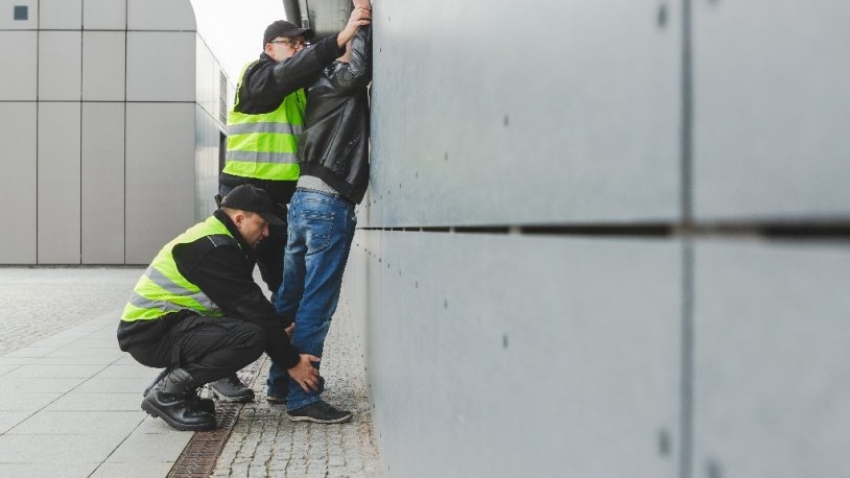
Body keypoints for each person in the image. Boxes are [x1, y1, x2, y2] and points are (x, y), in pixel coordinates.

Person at [211, 4, 372, 402]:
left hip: (281, 207)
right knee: (230, 289)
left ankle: (284, 379)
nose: (300, 48)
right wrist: (341, 37)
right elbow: (286, 76)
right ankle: (217, 368)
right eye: (292, 43)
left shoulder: (297, 89)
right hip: (241, 204)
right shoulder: (258, 75)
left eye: (304, 42)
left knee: (286, 293)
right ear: (269, 48)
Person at [117, 184, 321, 431]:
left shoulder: (221, 240)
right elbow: (253, 309)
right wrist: (291, 362)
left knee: (252, 328)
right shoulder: (215, 248)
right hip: (150, 333)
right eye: (262, 224)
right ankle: (166, 395)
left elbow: (245, 305)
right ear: (239, 218)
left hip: (163, 327)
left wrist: (278, 331)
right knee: (250, 337)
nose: (266, 232)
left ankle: (174, 389)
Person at [264, 0, 373, 424]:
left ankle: (278, 382)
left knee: (290, 297)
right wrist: (359, 25)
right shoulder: (330, 82)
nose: (340, 52)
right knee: (316, 302)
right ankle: (303, 397)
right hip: (328, 202)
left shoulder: (310, 88)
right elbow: (357, 69)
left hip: (303, 203)